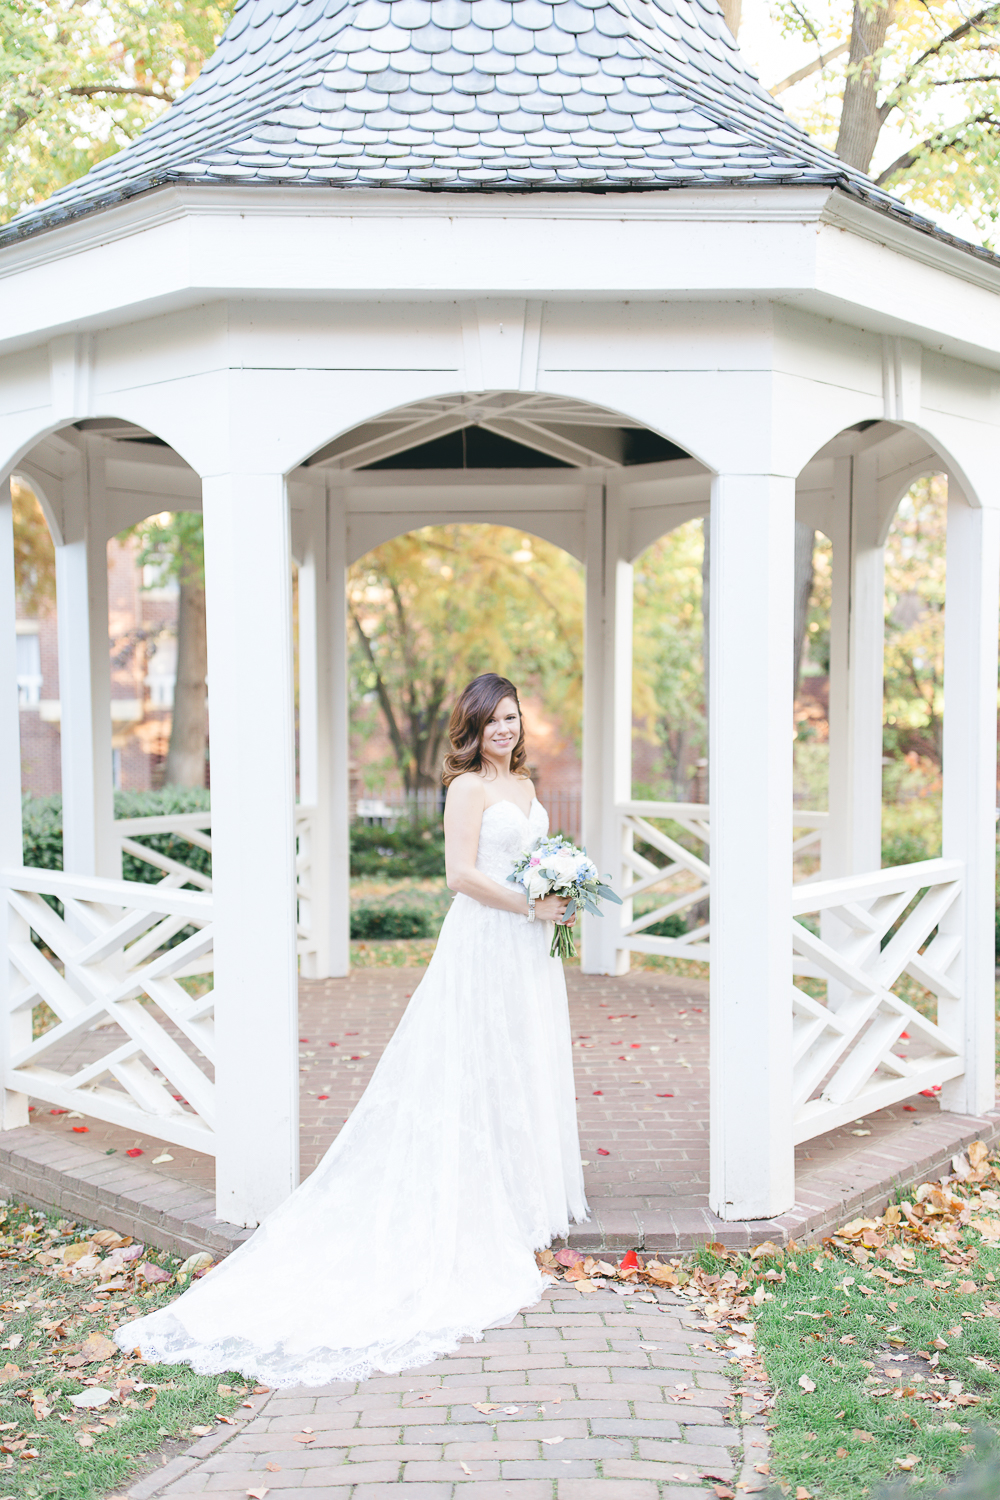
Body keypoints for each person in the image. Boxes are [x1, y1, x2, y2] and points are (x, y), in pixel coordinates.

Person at [114, 672, 588, 1387]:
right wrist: (532, 903)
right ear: (471, 726)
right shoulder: (468, 789)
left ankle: (528, 1193)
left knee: (521, 1060)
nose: (504, 730)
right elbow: (460, 875)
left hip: (528, 952)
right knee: (477, 1061)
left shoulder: (525, 785)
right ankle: (485, 1196)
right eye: (491, 720)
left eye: (512, 718)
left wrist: (562, 892)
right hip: (487, 942)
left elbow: (532, 863)